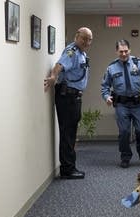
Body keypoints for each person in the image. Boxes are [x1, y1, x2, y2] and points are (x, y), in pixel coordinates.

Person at [44, 27, 93, 179]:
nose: (87, 42)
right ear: (76, 36)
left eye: (89, 39)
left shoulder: (81, 53)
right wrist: (53, 76)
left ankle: (70, 166)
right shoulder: (71, 51)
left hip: (74, 97)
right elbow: (60, 64)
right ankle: (67, 169)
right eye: (84, 38)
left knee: (71, 133)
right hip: (67, 97)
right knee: (67, 134)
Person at [101, 39, 140, 168]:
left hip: (138, 104)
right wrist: (107, 97)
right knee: (124, 132)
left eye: (126, 51)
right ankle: (125, 156)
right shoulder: (111, 68)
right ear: (116, 51)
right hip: (122, 105)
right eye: (121, 51)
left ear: (129, 50)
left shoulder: (139, 64)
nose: (124, 54)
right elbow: (105, 86)